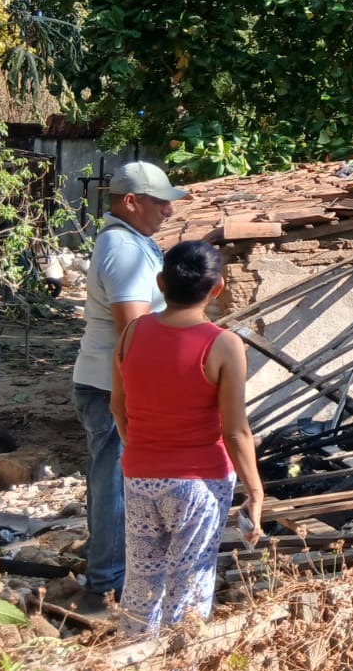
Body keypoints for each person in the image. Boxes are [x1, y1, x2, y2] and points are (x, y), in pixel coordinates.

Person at [110, 239, 264, 637]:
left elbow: (118, 408)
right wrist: (255, 492)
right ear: (218, 288)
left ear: (161, 283)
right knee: (189, 590)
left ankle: (132, 666)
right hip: (199, 483)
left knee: (142, 583)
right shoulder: (224, 344)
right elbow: (235, 431)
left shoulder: (131, 334)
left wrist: (143, 450)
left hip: (139, 476)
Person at [71, 161, 187, 608]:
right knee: (116, 483)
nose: (168, 211)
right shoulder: (122, 248)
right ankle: (105, 585)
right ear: (132, 201)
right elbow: (134, 330)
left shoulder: (135, 242)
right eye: (160, 203)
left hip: (113, 381)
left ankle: (107, 566)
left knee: (112, 479)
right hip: (113, 386)